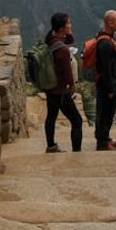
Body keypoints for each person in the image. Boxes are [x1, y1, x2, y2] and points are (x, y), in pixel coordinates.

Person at [43, 12, 83, 153]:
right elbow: (67, 73)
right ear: (61, 28)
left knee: (51, 116)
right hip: (61, 91)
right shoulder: (63, 50)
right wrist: (72, 87)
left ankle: (51, 145)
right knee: (77, 121)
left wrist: (66, 32)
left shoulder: (51, 40)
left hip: (50, 88)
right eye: (68, 23)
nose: (70, 25)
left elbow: (70, 39)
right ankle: (76, 152)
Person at [94, 10, 116, 151]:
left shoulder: (108, 38)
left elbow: (112, 61)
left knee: (108, 112)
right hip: (107, 84)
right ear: (110, 23)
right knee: (105, 112)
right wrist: (110, 89)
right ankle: (102, 142)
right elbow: (105, 69)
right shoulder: (105, 43)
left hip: (109, 82)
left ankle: (105, 138)